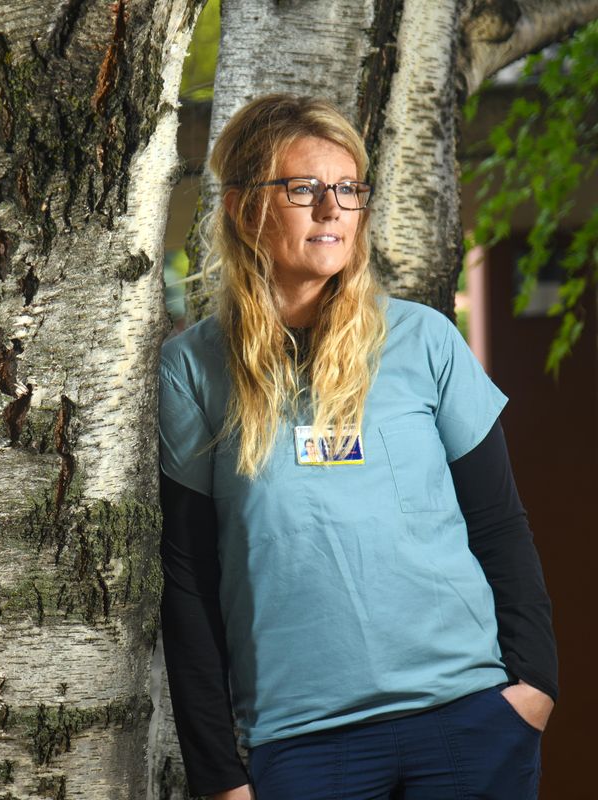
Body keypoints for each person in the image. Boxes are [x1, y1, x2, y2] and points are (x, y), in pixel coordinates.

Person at [158, 95, 557, 799]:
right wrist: (218, 772)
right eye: (304, 189)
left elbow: (499, 526)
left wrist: (534, 687)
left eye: (347, 189)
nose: (331, 210)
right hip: (302, 745)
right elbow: (186, 579)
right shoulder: (193, 369)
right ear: (243, 206)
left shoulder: (424, 340)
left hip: (468, 721)